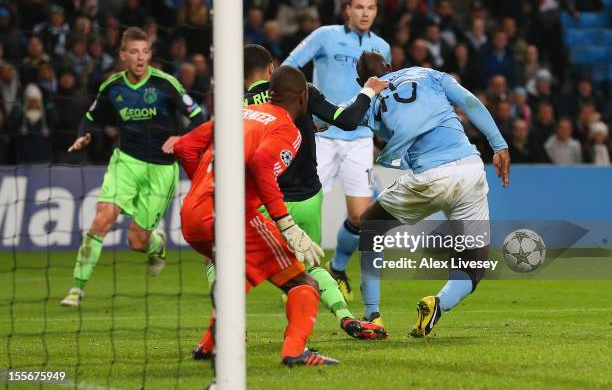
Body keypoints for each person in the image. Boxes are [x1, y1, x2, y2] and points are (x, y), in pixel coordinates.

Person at [192, 45, 388, 361]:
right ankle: (343, 316)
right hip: (307, 197)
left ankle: (229, 330)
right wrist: (367, 89)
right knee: (305, 266)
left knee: (220, 260)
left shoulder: (237, 105)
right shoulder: (302, 92)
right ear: (272, 69)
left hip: (262, 202)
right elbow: (349, 120)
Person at [167, 66, 339, 366]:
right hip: (233, 216)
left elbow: (184, 146)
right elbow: (261, 165)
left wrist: (204, 189)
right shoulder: (288, 129)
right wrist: (285, 223)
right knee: (303, 283)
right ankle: (295, 351)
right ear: (303, 97)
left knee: (239, 277)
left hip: (192, 215)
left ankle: (209, 345)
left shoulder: (240, 113)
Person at [353, 51, 510, 337]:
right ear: (390, 66)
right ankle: (438, 302)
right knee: (473, 265)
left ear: (359, 81)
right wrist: (499, 145)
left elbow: (335, 119)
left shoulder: (368, 100)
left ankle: (372, 315)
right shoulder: (428, 74)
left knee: (371, 225)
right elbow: (471, 102)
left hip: (431, 176)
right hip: (470, 169)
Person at [59, 27, 206, 306]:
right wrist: (84, 134)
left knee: (136, 241)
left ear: (150, 54)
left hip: (161, 169)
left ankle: (156, 245)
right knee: (102, 217)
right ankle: (76, 289)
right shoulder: (112, 87)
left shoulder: (166, 84)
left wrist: (183, 138)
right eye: (134, 52)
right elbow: (90, 118)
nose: (141, 57)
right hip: (126, 162)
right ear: (123, 56)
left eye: (145, 51)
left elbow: (200, 119)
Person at [283, 0, 391, 327]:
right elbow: (288, 68)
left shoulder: (383, 47)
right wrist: (303, 109)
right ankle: (293, 275)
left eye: (370, 7)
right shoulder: (324, 36)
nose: (364, 12)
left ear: (375, 12)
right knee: (306, 204)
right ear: (347, 10)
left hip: (360, 138)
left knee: (362, 217)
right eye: (358, 6)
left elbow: (382, 92)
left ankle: (338, 268)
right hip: (323, 136)